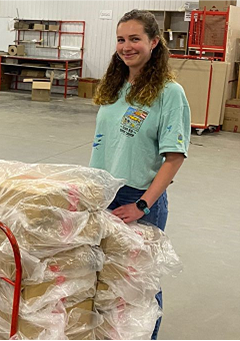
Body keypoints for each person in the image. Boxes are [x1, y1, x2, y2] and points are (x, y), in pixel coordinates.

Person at [89, 9, 191, 340]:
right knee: (107, 278)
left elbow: (174, 157)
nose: (126, 46)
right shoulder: (115, 84)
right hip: (102, 193)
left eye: (135, 39)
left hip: (137, 198)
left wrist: (143, 206)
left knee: (140, 283)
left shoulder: (169, 92)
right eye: (121, 39)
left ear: (154, 42)